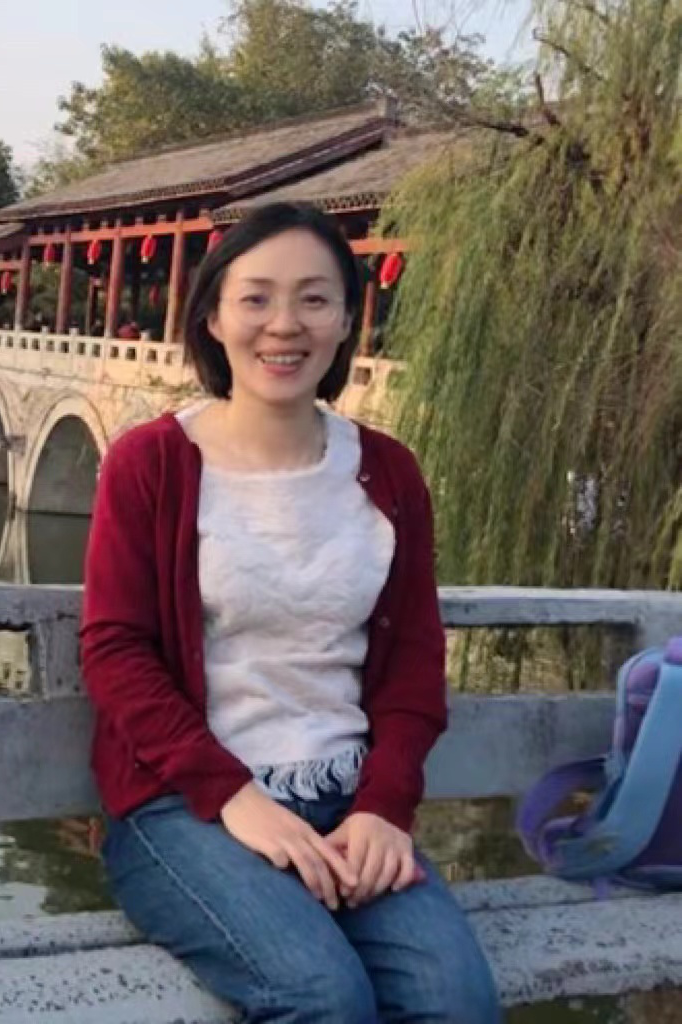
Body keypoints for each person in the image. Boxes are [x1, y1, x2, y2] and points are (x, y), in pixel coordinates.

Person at [80, 202, 501, 1023]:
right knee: (323, 996)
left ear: (345, 320)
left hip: (348, 801)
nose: (284, 325)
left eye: (313, 299)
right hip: (185, 808)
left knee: (454, 1001)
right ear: (212, 316)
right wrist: (233, 796)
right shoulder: (153, 462)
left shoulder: (387, 472)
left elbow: (414, 662)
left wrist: (384, 807)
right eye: (255, 298)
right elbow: (115, 650)